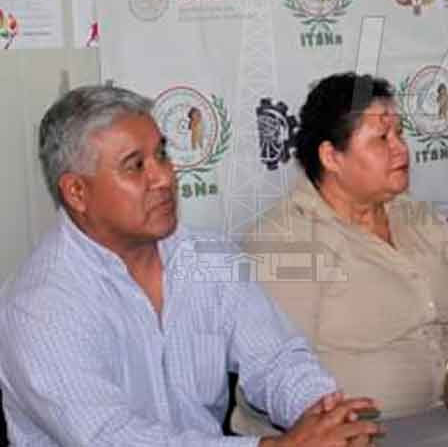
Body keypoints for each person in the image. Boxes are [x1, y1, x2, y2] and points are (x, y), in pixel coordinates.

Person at [0, 85, 381, 446]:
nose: (164, 177)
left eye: (162, 154)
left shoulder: (206, 256)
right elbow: (111, 438)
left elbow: (276, 359)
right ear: (76, 192)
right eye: (135, 166)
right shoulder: (39, 307)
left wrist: (326, 415)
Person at [233, 73, 448, 429]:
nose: (401, 149)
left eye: (400, 134)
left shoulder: (423, 220)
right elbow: (277, 375)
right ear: (331, 157)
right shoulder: (284, 241)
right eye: (382, 139)